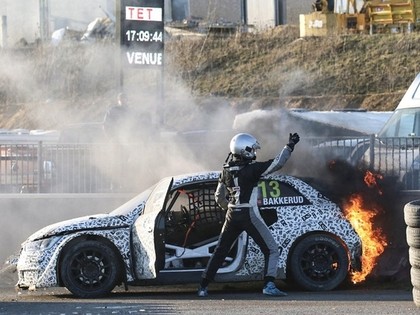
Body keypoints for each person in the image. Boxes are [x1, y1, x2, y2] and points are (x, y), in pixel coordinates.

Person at [197, 132, 300, 297]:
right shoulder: (253, 169)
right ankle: (269, 285)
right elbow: (277, 163)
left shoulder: (225, 171)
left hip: (231, 213)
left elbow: (218, 197)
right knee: (272, 249)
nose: (254, 152)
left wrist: (230, 208)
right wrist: (289, 146)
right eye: (252, 149)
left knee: (220, 251)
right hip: (248, 213)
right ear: (244, 150)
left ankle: (203, 286)